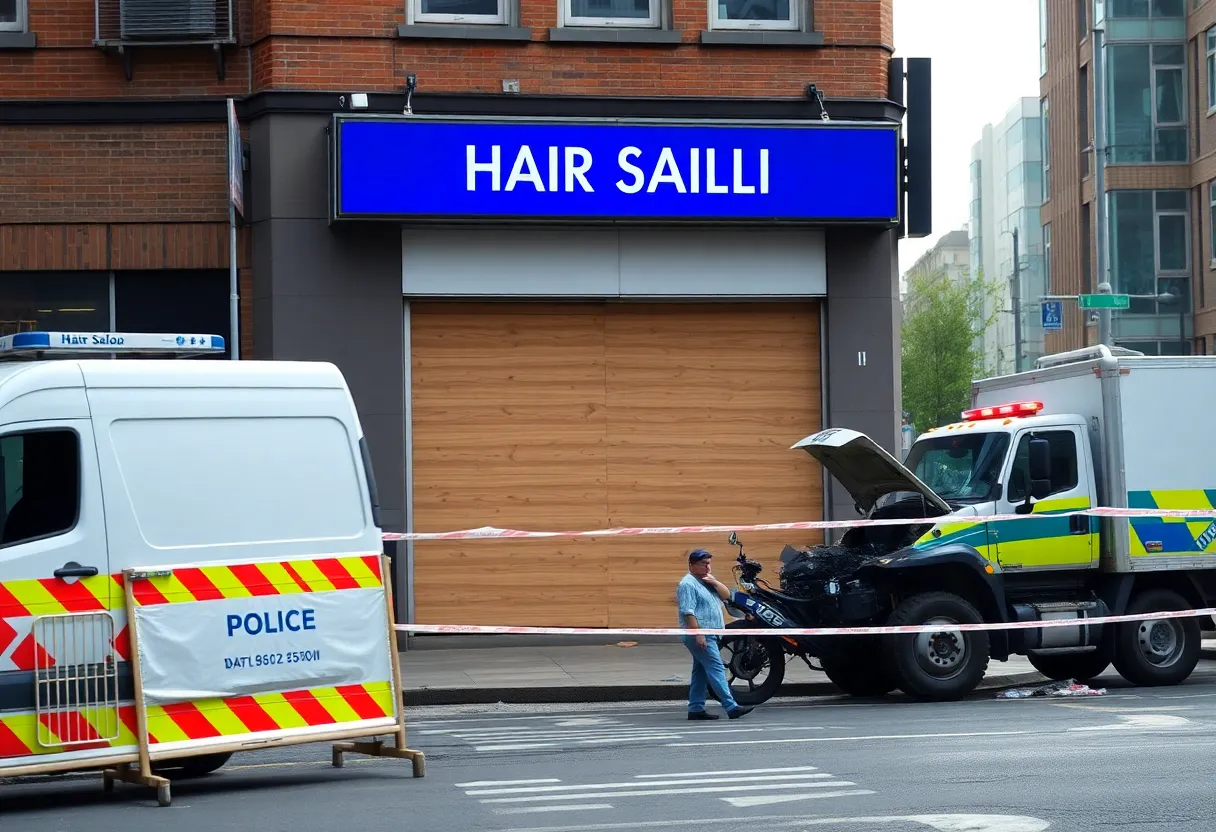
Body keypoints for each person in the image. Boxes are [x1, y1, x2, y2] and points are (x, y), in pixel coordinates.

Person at [676, 548, 753, 721]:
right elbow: (688, 612)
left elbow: (727, 596)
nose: (707, 568)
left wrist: (715, 582)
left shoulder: (706, 581)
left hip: (710, 633)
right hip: (702, 634)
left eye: (709, 564)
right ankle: (731, 707)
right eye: (703, 564)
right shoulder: (687, 584)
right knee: (716, 668)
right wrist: (699, 634)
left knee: (701, 671)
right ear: (691, 565)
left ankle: (695, 708)